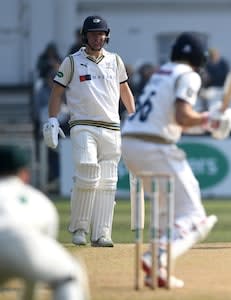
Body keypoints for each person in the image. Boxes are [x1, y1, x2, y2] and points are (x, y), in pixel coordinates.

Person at [121, 32, 231, 288]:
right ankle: (156, 256)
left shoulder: (163, 73)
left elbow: (175, 122)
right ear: (200, 57)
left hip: (130, 143)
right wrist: (211, 119)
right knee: (196, 218)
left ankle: (157, 271)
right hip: (154, 146)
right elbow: (184, 116)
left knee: (168, 213)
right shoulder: (189, 75)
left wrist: (209, 123)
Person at [43, 15, 136, 247]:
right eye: (93, 34)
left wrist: (134, 119)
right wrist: (53, 119)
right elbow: (56, 92)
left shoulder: (115, 61)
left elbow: (125, 91)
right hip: (83, 125)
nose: (98, 38)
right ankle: (79, 229)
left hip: (111, 126)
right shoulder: (72, 62)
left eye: (101, 34)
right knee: (87, 170)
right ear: (85, 36)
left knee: (108, 181)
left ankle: (102, 233)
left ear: (107, 36)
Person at [0, 145, 89, 300]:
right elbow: (43, 247)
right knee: (70, 276)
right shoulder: (38, 199)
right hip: (27, 248)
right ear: (24, 174)